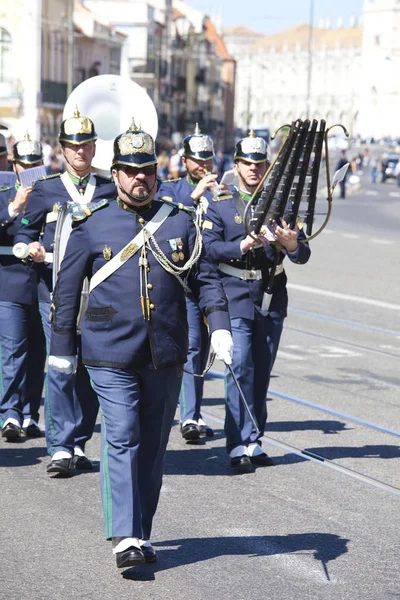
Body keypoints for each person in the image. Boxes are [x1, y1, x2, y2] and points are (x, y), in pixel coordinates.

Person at [47, 124, 232, 568]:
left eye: (147, 170)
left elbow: (205, 280)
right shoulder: (91, 224)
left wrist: (220, 326)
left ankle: (141, 530)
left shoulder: (178, 219)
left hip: (165, 352)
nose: (140, 178)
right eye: (130, 171)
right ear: (114, 174)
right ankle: (126, 535)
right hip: (109, 352)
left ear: (156, 173)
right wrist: (61, 347)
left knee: (152, 445)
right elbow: (67, 290)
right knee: (123, 434)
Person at [15, 108, 116, 474]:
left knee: (92, 368)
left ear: (94, 148)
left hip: (99, 293)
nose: (80, 153)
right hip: (54, 289)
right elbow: (24, 234)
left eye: (86, 145)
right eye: (73, 146)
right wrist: (33, 249)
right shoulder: (45, 188)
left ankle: (80, 440)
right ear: (62, 148)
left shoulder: (109, 188)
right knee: (60, 366)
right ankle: (60, 446)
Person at [202, 131, 311, 469]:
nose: (253, 169)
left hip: (271, 294)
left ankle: (254, 440)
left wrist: (292, 244)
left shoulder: (282, 209)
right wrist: (242, 246)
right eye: (247, 164)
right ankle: (236, 443)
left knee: (262, 371)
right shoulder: (219, 203)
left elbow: (303, 253)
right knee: (241, 366)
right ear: (236, 166)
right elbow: (207, 250)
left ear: (267, 168)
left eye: (259, 164)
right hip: (235, 295)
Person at [159, 125, 218, 441]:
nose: (203, 165)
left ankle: (193, 413)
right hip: (181, 279)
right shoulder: (170, 189)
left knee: (205, 347)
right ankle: (189, 416)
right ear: (185, 160)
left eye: (207, 158)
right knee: (191, 347)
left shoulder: (223, 190)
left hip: (212, 279)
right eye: (197, 159)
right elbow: (164, 221)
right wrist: (195, 196)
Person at [0, 134, 46, 439]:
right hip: (9, 280)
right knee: (12, 349)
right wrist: (14, 207)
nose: (29, 169)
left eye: (35, 164)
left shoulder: (53, 190)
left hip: (42, 280)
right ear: (14, 165)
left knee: (38, 351)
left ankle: (30, 413)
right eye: (24, 164)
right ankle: (10, 413)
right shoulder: (2, 189)